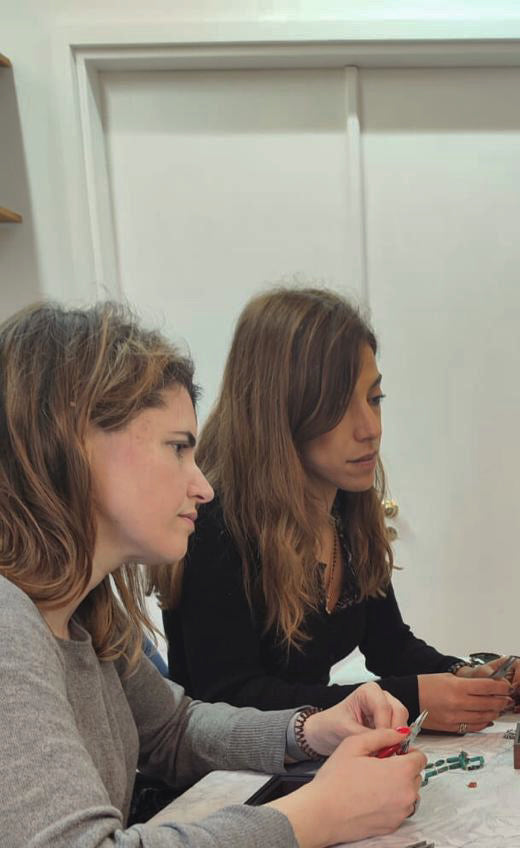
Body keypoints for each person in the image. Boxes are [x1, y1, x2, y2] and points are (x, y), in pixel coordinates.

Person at [0, 302, 426, 847]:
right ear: (69, 444)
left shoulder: (88, 608)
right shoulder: (10, 628)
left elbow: (174, 730)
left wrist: (309, 728)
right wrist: (314, 815)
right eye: (177, 448)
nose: (202, 486)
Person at [153, 288, 520, 735]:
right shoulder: (214, 525)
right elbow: (231, 698)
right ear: (281, 409)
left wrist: (467, 675)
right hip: (226, 781)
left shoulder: (346, 507)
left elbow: (390, 646)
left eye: (374, 399)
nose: (370, 429)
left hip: (309, 763)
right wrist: (412, 697)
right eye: (340, 406)